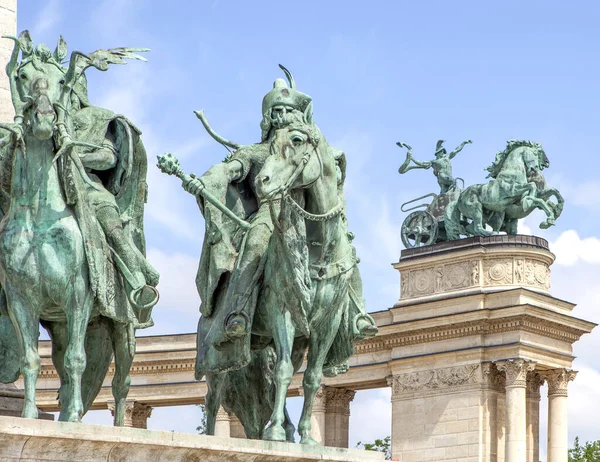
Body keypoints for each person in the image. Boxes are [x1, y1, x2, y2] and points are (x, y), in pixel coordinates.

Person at [185, 68, 376, 376]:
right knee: (256, 244)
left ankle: (357, 313)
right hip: (271, 215)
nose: (283, 115)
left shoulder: (308, 146)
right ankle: (238, 313)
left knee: (345, 250)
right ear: (268, 117)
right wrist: (211, 179)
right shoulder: (256, 151)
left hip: (310, 217)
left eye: (289, 110)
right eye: (277, 111)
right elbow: (232, 169)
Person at [398, 139, 472, 194]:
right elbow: (420, 163)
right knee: (453, 182)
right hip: (442, 177)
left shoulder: (447, 157)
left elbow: (456, 150)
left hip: (448, 177)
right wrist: (411, 158)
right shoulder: (433, 162)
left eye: (443, 151)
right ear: (438, 153)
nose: (443, 153)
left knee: (445, 190)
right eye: (442, 151)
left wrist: (464, 143)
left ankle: (443, 200)